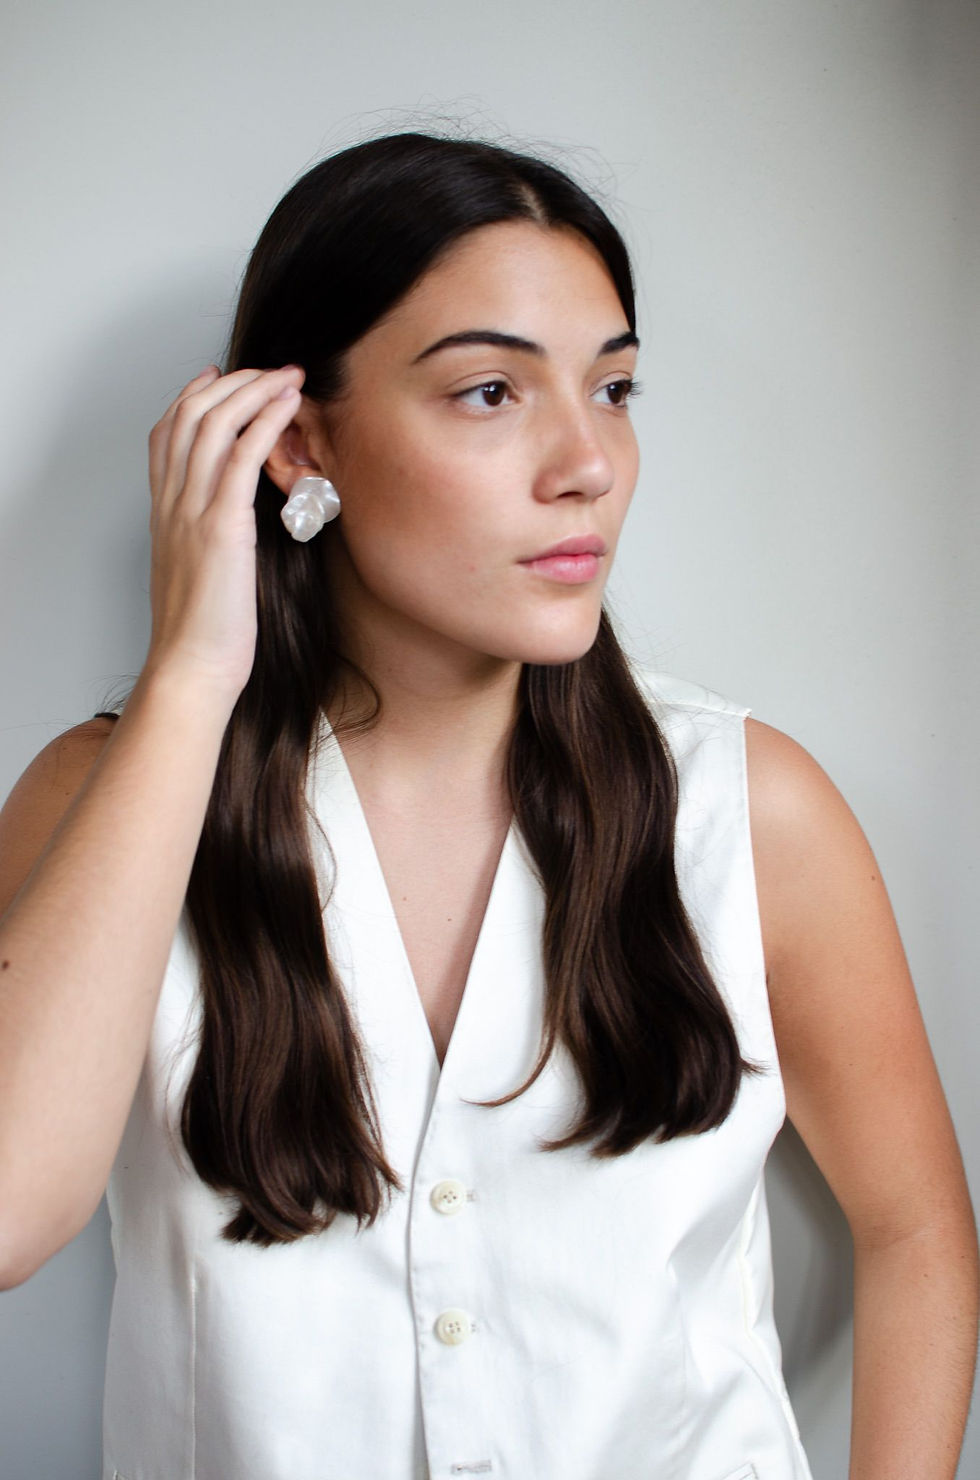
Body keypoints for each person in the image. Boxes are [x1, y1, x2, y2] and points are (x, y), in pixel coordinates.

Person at [0, 131, 976, 1480]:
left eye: (614, 387)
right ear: (299, 442)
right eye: (490, 392)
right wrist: (191, 675)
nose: (590, 462)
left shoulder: (751, 812)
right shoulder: (107, 797)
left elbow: (918, 1227)